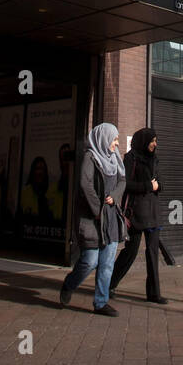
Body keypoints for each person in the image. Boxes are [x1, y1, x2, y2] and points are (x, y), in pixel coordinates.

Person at [58, 123, 126, 317]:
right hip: (92, 219)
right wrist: (97, 209)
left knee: (106, 264)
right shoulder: (90, 157)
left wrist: (114, 196)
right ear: (103, 138)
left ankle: (101, 302)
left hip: (110, 219)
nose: (116, 143)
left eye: (117, 139)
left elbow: (123, 180)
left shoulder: (115, 158)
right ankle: (69, 284)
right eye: (114, 139)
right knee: (90, 261)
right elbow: (85, 184)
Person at [110, 128, 166, 304]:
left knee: (152, 253)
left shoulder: (154, 159)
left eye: (156, 141)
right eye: (152, 141)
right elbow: (125, 184)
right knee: (131, 252)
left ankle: (154, 293)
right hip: (136, 213)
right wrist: (148, 186)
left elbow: (160, 182)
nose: (155, 144)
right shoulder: (131, 158)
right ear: (143, 141)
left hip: (153, 212)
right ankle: (109, 284)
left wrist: (158, 187)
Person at [20, 156, 54, 225]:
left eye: (42, 169)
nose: (40, 172)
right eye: (37, 169)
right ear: (33, 171)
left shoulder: (50, 193)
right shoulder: (25, 193)